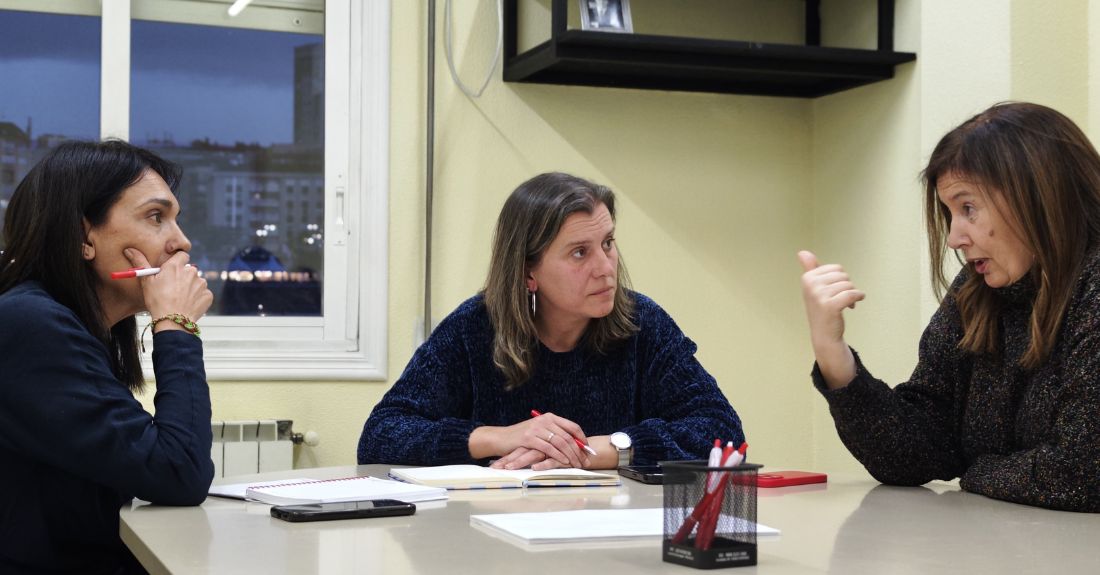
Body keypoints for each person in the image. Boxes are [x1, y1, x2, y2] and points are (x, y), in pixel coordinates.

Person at [798, 102, 1100, 512]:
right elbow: (914, 453)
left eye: (968, 208)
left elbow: (1083, 473)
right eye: (950, 212)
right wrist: (832, 353)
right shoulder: (977, 292)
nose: (955, 236)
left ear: (1037, 197)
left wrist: (976, 470)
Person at [359, 172, 742, 470]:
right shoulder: (474, 327)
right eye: (579, 253)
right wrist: (503, 438)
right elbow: (381, 434)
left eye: (608, 243)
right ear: (528, 273)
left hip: (613, 537)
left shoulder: (643, 323)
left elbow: (722, 431)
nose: (606, 268)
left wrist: (595, 450)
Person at [0, 140, 215, 573]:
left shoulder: (71, 324)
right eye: (157, 217)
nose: (182, 242)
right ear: (84, 237)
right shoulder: (31, 324)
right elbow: (179, 472)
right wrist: (176, 325)